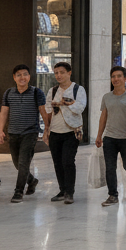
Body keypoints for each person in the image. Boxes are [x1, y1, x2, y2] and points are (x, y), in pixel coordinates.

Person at [0, 64, 48, 203]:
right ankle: (32, 181)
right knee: (17, 163)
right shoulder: (8, 93)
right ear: (14, 77)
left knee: (24, 162)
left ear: (29, 76)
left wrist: (47, 130)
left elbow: (43, 112)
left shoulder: (37, 93)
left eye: (25, 74)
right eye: (18, 75)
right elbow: (4, 113)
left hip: (30, 132)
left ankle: (18, 191)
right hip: (13, 133)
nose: (22, 77)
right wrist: (0, 131)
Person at [96, 66, 126, 206]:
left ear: (125, 78)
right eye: (113, 77)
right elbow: (103, 118)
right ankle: (112, 195)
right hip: (109, 137)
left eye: (118, 76)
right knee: (110, 167)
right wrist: (99, 136)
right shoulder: (107, 97)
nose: (115, 79)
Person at [44, 62, 87, 205]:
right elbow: (48, 111)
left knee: (68, 161)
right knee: (57, 162)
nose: (59, 75)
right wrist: (46, 130)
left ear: (69, 73)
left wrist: (65, 103)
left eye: (62, 72)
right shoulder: (53, 90)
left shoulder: (78, 89)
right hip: (55, 132)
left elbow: (80, 108)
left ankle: (70, 192)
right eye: (56, 73)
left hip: (71, 131)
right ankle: (62, 190)